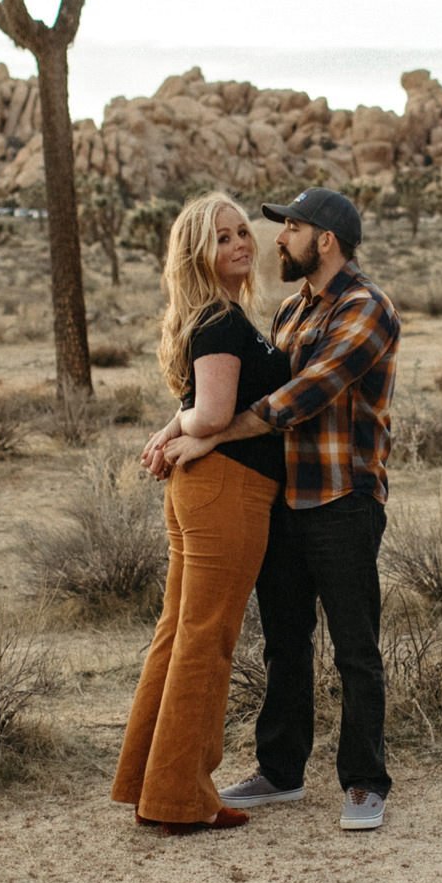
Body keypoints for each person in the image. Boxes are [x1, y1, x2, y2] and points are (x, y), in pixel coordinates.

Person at [155, 186, 400, 832]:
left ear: (324, 239)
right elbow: (246, 390)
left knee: (355, 647)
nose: (273, 241)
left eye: (287, 228)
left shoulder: (366, 309)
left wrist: (201, 433)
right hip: (288, 501)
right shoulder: (290, 313)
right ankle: (281, 770)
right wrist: (181, 425)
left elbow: (297, 398)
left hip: (343, 499)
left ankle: (365, 780)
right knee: (285, 643)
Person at [111, 192, 290, 836]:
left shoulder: (210, 316)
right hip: (229, 491)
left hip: (205, 486)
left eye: (244, 232)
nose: (241, 244)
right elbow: (212, 411)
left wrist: (174, 431)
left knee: (179, 632)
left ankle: (148, 783)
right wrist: (194, 429)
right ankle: (182, 798)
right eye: (223, 238)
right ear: (197, 253)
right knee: (205, 639)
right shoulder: (222, 321)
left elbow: (200, 407)